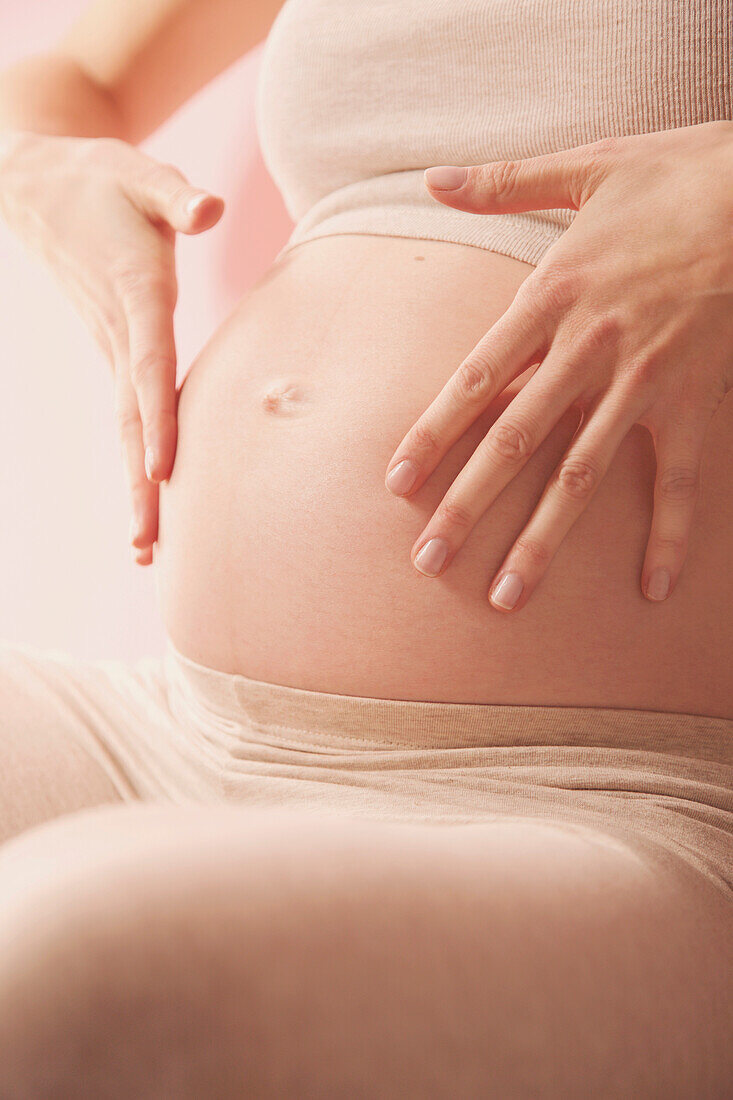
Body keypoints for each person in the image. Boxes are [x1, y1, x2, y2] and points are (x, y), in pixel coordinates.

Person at [0, 0, 731, 1096]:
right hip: (167, 723)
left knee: (75, 963)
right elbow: (63, 85)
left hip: (603, 798)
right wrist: (42, 172)